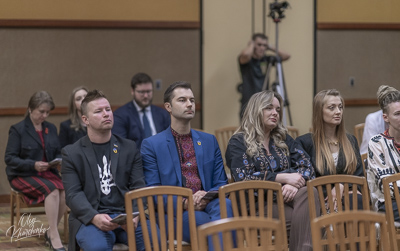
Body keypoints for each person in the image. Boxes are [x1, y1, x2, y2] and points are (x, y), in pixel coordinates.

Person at [141, 81, 233, 249]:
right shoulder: (152, 145)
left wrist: (206, 195)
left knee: (225, 205)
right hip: (175, 213)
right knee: (216, 224)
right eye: (182, 100)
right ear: (168, 107)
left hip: (210, 204)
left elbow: (221, 184)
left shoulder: (209, 141)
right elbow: (153, 193)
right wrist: (185, 203)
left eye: (192, 99)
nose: (190, 104)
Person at [61, 90, 157, 251]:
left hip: (126, 215)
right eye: (98, 111)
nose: (106, 114)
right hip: (91, 218)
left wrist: (134, 214)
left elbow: (138, 186)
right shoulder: (72, 153)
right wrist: (94, 217)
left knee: (155, 242)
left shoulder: (129, 147)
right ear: (85, 120)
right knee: (98, 246)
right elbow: (73, 194)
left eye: (108, 109)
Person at [226, 90, 318, 251]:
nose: (275, 113)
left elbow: (307, 166)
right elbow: (245, 178)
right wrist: (283, 178)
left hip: (289, 200)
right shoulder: (238, 142)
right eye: (269, 108)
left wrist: (293, 185)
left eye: (277, 109)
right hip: (258, 205)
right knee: (314, 221)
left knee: (310, 193)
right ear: (256, 110)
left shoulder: (283, 138)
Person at [5, 91, 66, 251]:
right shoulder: (18, 129)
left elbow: (58, 151)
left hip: (46, 173)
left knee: (65, 190)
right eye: (41, 112)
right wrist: (33, 165)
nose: (45, 115)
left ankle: (50, 231)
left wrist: (58, 161)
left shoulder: (51, 128)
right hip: (22, 174)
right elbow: (10, 159)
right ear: (30, 109)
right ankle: (53, 235)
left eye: (47, 112)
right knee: (52, 191)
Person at [296, 89, 364, 210]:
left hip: (348, 196)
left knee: (356, 199)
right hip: (320, 199)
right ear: (319, 112)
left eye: (340, 107)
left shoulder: (350, 140)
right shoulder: (305, 142)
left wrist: (342, 185)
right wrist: (331, 190)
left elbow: (359, 176)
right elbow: (307, 179)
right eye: (331, 108)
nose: (338, 112)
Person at [367, 85, 400, 221]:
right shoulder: (376, 143)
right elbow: (386, 184)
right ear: (386, 118)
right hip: (389, 203)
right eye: (397, 114)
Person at [112, 72, 170, 149]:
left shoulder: (162, 113)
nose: (146, 96)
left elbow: (170, 139)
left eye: (149, 91)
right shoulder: (120, 115)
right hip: (136, 159)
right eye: (141, 92)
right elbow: (121, 146)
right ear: (132, 91)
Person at [238, 33, 290, 116]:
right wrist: (251, 45)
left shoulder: (266, 59)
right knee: (248, 128)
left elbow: (286, 56)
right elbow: (245, 54)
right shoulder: (247, 60)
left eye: (264, 45)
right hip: (248, 103)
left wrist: (270, 46)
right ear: (254, 45)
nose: (262, 48)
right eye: (259, 45)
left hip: (263, 102)